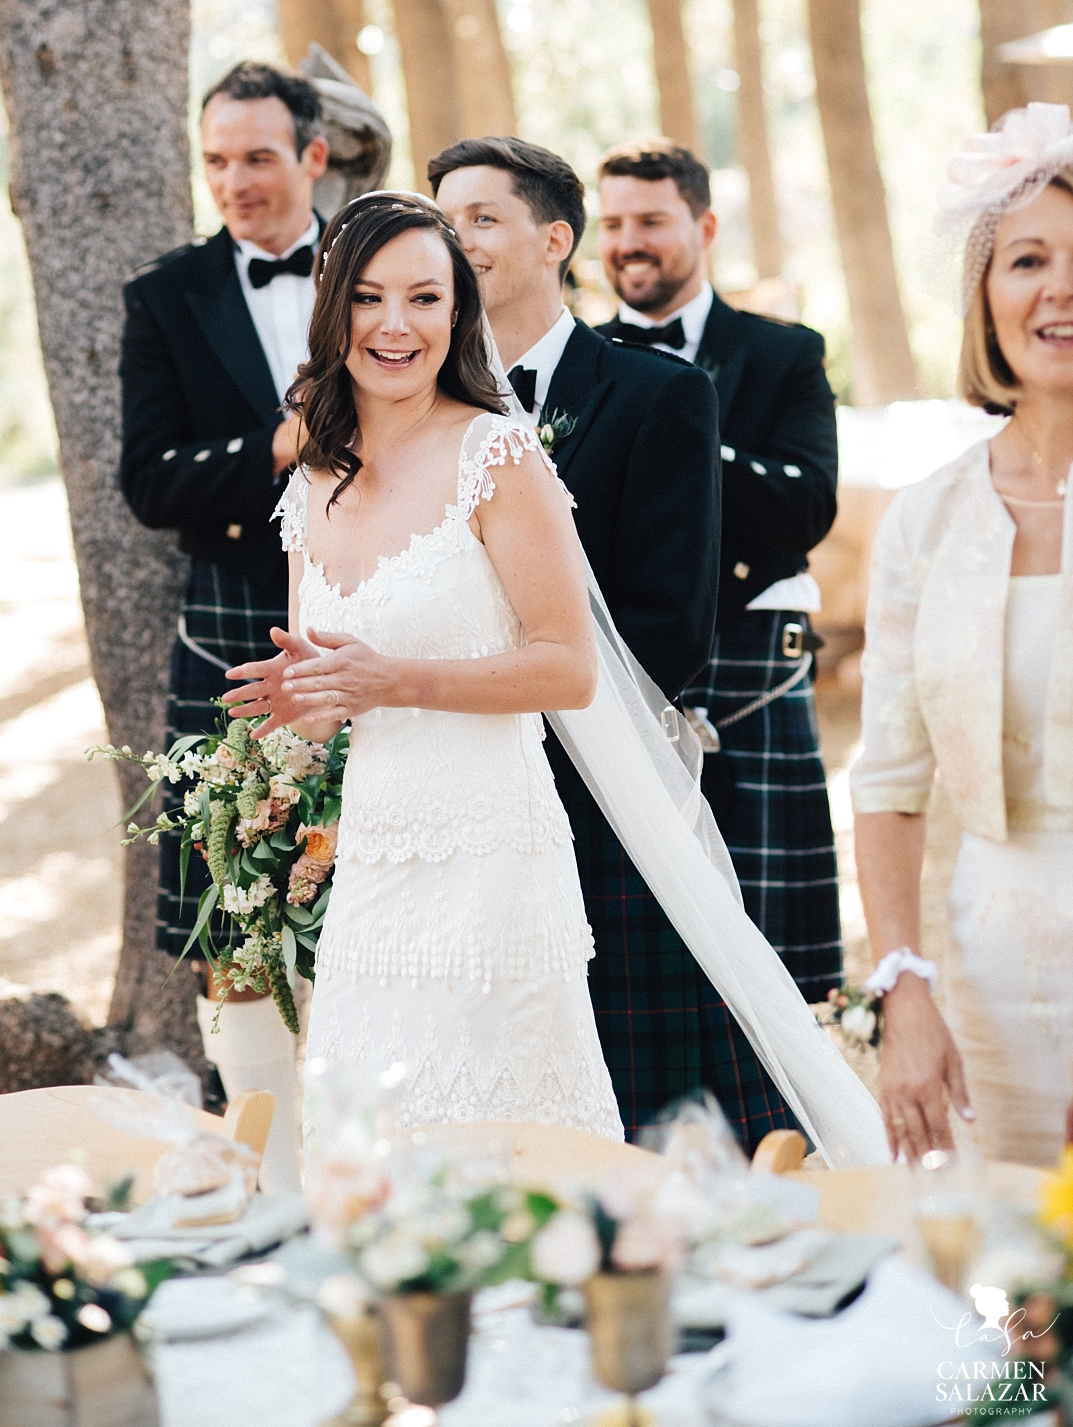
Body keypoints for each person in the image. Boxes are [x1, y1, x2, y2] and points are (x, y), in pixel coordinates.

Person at [222, 192, 624, 1140]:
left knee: (493, 1142)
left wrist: (393, 680)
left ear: (458, 314)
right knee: (373, 1142)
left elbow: (570, 669)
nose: (395, 326)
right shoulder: (313, 478)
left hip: (492, 854)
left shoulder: (497, 454)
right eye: (368, 298)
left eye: (424, 298)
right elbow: (332, 688)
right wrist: (299, 709)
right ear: (334, 312)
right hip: (373, 862)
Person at [428, 136, 796, 1152]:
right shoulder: (415, 410)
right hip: (456, 800)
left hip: (603, 797)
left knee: (643, 1105)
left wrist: (527, 711)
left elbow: (672, 629)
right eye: (442, 220)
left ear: (556, 238)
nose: (454, 243)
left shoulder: (657, 395)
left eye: (481, 218)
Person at [119, 61, 331, 1187]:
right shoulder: (166, 295)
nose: (236, 181)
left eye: (257, 156)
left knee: (370, 899)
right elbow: (149, 480)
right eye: (217, 160)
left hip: (373, 624)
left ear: (312, 156)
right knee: (234, 923)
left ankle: (370, 1160)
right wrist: (274, 451)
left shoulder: (387, 265)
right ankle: (266, 1174)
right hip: (231, 637)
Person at [852, 102, 1073, 1168]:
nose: (1058, 289)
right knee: (1019, 1303)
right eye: (1028, 259)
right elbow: (889, 786)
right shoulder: (928, 520)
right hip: (993, 972)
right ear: (986, 295)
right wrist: (906, 990)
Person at [596, 140, 843, 1006]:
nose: (630, 241)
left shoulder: (784, 354)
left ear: (702, 226)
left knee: (774, 954)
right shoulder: (587, 362)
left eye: (652, 221)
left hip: (751, 664)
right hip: (631, 663)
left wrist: (683, 428)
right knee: (648, 948)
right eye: (614, 223)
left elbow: (807, 508)